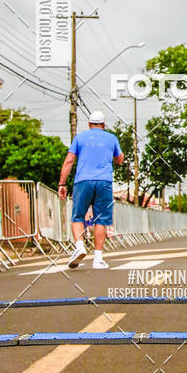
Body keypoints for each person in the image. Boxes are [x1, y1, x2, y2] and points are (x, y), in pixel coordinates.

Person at [58, 110, 124, 270]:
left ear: (89, 124)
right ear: (103, 125)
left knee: (78, 216)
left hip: (83, 181)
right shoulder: (112, 138)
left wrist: (62, 183)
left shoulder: (79, 138)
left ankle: (79, 246)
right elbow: (120, 160)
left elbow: (69, 161)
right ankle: (98, 259)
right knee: (101, 219)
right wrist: (112, 157)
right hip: (104, 182)